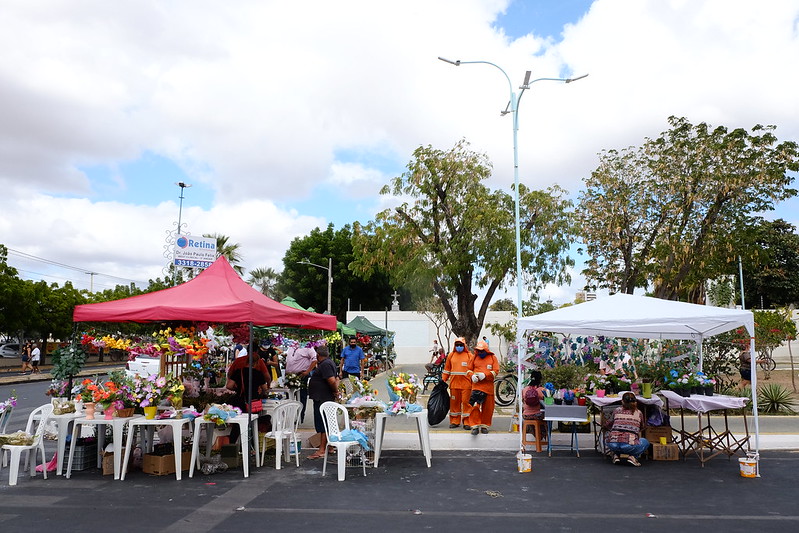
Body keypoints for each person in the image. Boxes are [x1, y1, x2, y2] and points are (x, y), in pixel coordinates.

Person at [225, 350, 269, 443]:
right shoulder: (258, 373)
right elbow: (265, 388)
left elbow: (229, 386)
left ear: (246, 361)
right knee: (253, 423)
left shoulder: (238, 372)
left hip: (240, 400)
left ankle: (232, 444)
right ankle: (251, 446)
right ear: (257, 362)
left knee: (237, 424)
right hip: (253, 401)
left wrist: (237, 389)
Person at [307, 345, 339, 459]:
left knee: (322, 424)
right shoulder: (329, 363)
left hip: (322, 399)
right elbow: (336, 378)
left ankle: (321, 450)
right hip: (322, 397)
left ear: (318, 355)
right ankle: (329, 446)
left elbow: (331, 380)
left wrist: (335, 391)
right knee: (326, 422)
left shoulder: (325, 364)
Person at [605, 391, 649, 467]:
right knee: (645, 442)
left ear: (622, 401)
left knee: (610, 438)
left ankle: (616, 455)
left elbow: (608, 424)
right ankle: (633, 457)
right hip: (628, 445)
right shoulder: (638, 413)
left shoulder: (617, 410)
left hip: (612, 444)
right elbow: (643, 426)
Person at [466, 340, 499, 435]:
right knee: (474, 407)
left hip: (488, 388)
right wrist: (472, 376)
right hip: (476, 387)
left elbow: (495, 371)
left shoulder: (493, 358)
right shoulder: (474, 358)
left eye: (482, 351)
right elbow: (468, 370)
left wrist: (485, 375)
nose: (480, 353)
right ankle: (475, 426)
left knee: (488, 408)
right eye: (478, 351)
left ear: (486, 350)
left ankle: (485, 425)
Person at [442, 337, 473, 429]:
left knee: (466, 403)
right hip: (454, 385)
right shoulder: (451, 355)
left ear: (464, 345)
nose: (459, 347)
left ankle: (467, 422)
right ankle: (455, 421)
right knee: (454, 404)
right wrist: (443, 380)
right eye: (457, 345)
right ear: (455, 346)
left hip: (466, 385)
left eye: (461, 345)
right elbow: (447, 369)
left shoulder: (469, 356)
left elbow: (473, 369)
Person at [285, 342, 318, 422]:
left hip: (301, 375)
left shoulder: (308, 347)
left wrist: (307, 372)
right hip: (289, 375)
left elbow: (315, 359)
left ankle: (300, 417)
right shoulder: (291, 347)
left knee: (301, 397)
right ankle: (290, 417)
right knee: (289, 396)